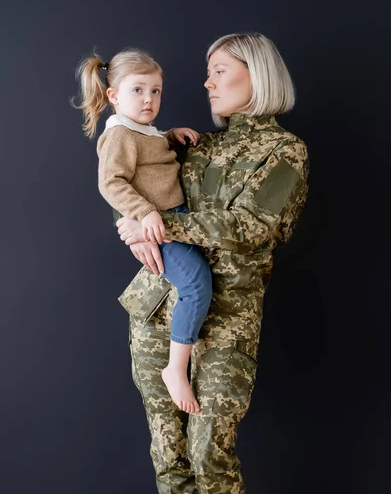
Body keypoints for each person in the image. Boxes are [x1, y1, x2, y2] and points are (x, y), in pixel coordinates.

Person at [116, 32, 310, 493]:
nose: (207, 83)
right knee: (169, 454)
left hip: (227, 320)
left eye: (219, 71)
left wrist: (155, 223)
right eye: (209, 73)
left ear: (256, 75)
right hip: (157, 306)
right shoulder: (198, 145)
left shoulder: (285, 151)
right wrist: (130, 221)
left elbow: (248, 227)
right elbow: (131, 178)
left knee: (208, 454)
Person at [74, 49, 214, 414]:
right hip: (161, 224)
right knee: (196, 284)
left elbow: (148, 154)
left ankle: (178, 362)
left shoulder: (141, 129)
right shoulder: (120, 133)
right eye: (138, 90)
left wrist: (169, 136)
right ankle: (175, 367)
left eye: (156, 91)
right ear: (114, 96)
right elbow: (111, 182)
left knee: (197, 278)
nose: (149, 99)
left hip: (174, 217)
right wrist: (144, 212)